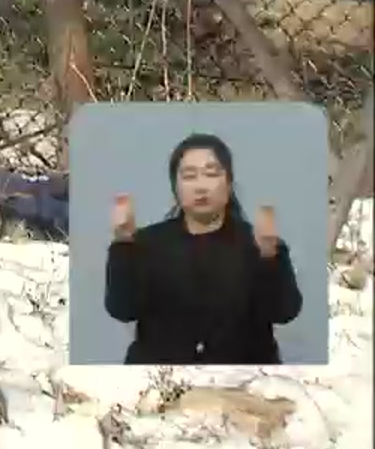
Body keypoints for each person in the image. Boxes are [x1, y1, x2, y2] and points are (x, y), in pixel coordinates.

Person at [103, 131, 303, 364]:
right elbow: (122, 309)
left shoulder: (256, 244)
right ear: (175, 187)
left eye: (211, 174)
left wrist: (269, 255)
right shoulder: (147, 243)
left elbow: (284, 313)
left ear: (228, 184)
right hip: (160, 380)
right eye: (189, 176)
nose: (201, 186)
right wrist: (123, 243)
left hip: (239, 383)